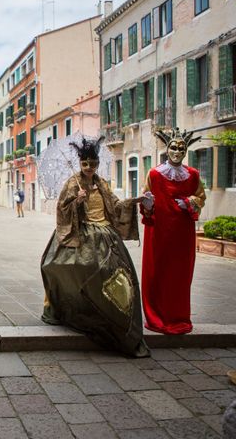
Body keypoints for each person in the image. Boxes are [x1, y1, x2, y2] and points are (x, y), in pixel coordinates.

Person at [40, 137, 149, 357]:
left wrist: (134, 201)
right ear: (80, 163)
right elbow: (62, 208)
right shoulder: (72, 183)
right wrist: (76, 201)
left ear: (98, 163)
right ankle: (78, 309)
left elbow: (115, 205)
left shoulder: (102, 184)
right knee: (60, 266)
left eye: (93, 163)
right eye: (85, 164)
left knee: (117, 276)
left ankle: (114, 320)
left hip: (106, 235)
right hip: (81, 234)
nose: (89, 168)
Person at [140, 128, 205, 335]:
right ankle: (157, 315)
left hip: (182, 233)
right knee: (158, 271)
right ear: (167, 149)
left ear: (186, 151)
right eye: (173, 147)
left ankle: (178, 316)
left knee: (179, 274)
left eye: (181, 148)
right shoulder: (154, 174)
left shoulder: (193, 175)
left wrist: (190, 202)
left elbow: (200, 197)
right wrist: (147, 204)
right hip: (159, 232)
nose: (177, 151)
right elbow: (146, 201)